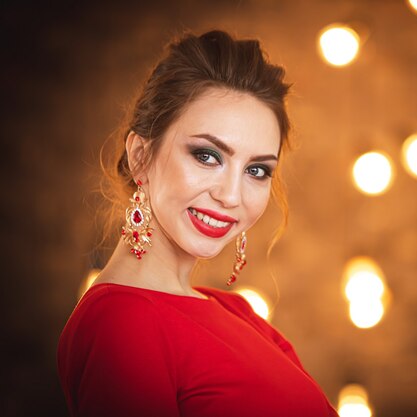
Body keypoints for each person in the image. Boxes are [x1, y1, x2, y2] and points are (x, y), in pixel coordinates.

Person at [57, 30, 339, 417]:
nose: (231, 195)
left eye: (256, 169)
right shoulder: (121, 323)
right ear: (141, 156)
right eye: (207, 156)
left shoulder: (237, 312)